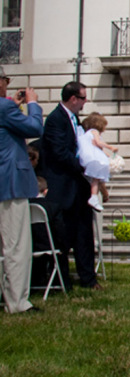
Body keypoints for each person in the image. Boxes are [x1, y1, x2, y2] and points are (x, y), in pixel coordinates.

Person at [41, 81, 99, 290]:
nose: (85, 102)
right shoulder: (55, 119)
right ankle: (61, 280)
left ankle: (88, 278)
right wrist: (84, 165)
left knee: (84, 234)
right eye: (83, 98)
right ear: (73, 99)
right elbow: (59, 152)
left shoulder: (75, 119)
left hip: (78, 187)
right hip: (63, 186)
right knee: (63, 236)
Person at [0, 70, 43, 313]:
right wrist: (33, 103)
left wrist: (13, 105)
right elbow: (35, 127)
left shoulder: (6, 108)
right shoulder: (5, 108)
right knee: (16, 245)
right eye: (5, 81)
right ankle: (17, 301)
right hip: (10, 183)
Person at [77, 113, 115, 212]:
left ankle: (94, 197)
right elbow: (99, 143)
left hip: (87, 158)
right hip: (93, 159)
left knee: (96, 178)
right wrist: (110, 147)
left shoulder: (87, 135)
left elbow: (99, 149)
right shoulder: (94, 132)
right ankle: (94, 197)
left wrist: (110, 156)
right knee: (98, 176)